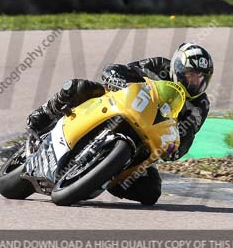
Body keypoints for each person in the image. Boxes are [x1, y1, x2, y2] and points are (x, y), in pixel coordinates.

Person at [27, 42, 214, 206]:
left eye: (201, 78)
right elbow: (116, 70)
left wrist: (175, 149)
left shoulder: (201, 105)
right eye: (191, 75)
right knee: (79, 87)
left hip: (147, 138)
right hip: (120, 107)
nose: (195, 82)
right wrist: (121, 83)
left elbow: (187, 135)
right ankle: (44, 114)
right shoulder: (159, 67)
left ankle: (106, 175)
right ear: (178, 68)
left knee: (151, 193)